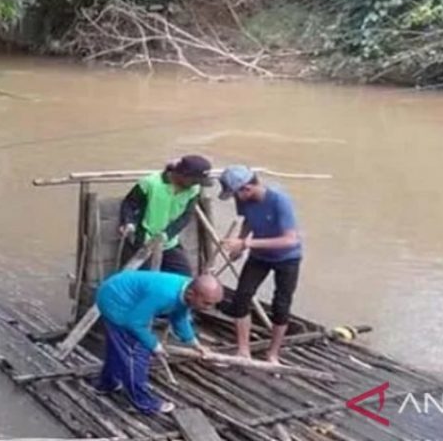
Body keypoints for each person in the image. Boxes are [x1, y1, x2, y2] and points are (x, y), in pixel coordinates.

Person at [94, 270, 223, 414]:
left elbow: (179, 316)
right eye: (207, 303)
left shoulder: (187, 288)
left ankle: (107, 384)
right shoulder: (165, 295)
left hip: (116, 291)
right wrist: (154, 344)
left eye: (213, 304)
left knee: (119, 346)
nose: (209, 308)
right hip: (115, 301)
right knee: (136, 351)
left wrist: (195, 343)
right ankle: (143, 403)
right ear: (191, 294)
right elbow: (134, 323)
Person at [218, 165, 302, 364]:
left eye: (235, 194)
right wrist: (240, 243)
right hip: (259, 256)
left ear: (247, 188)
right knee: (242, 297)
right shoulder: (243, 199)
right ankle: (243, 349)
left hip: (287, 258)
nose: (235, 199)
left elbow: (290, 240)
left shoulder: (280, 201)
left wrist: (246, 243)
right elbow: (248, 220)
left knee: (281, 305)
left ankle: (273, 353)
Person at [118, 155, 212, 275]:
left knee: (184, 276)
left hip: (169, 241)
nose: (196, 184)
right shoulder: (150, 183)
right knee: (144, 279)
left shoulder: (194, 190)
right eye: (194, 180)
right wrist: (128, 222)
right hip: (143, 241)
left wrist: (167, 234)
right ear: (182, 174)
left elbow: (186, 216)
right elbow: (129, 204)